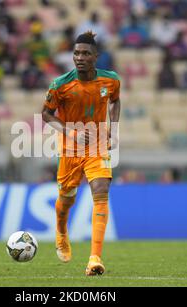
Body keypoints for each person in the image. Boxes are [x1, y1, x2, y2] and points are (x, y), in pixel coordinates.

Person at [41, 31, 121, 276]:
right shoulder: (60, 85)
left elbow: (115, 101)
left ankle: (94, 258)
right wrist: (71, 132)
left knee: (101, 190)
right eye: (76, 53)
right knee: (66, 198)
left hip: (97, 145)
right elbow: (46, 114)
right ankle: (61, 231)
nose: (80, 57)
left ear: (96, 57)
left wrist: (114, 130)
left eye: (86, 53)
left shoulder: (111, 81)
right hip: (70, 148)